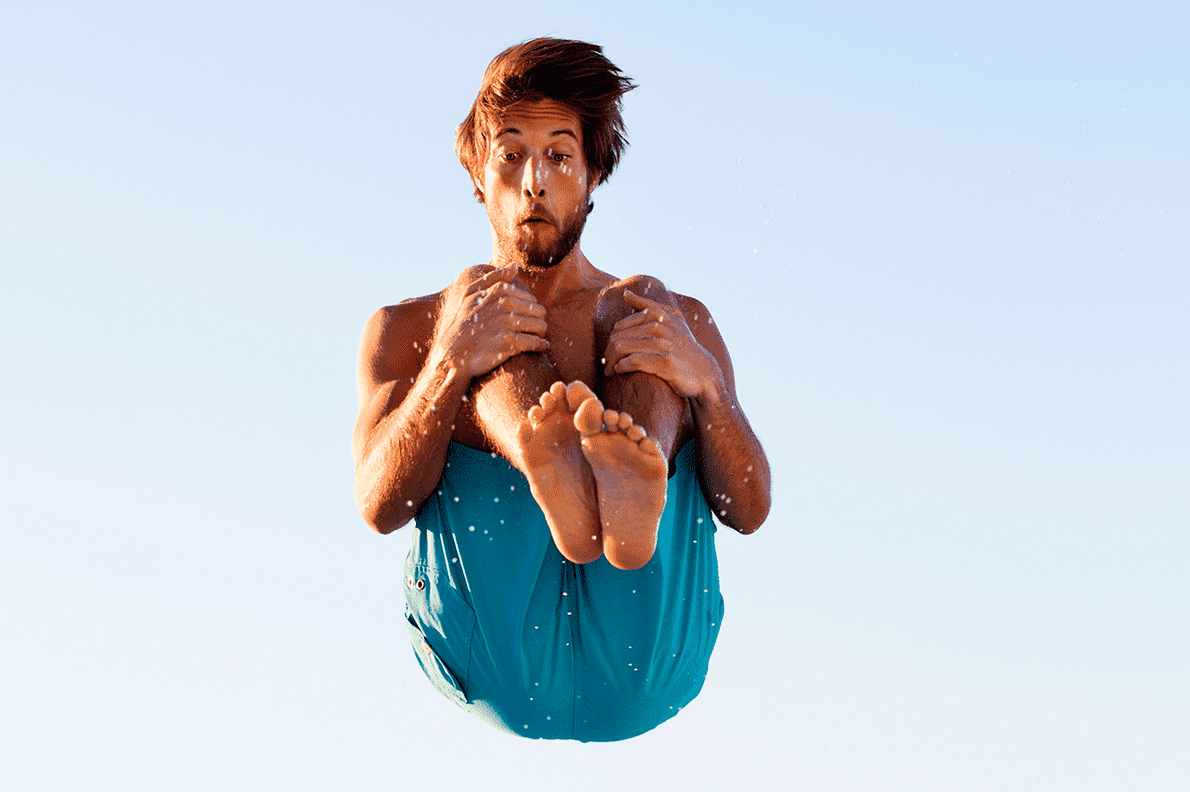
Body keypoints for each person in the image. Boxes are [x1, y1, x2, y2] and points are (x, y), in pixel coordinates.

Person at [352, 37, 770, 741]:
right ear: (477, 172)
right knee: (480, 300)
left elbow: (749, 508)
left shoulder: (677, 324)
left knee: (645, 304)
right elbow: (378, 505)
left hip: (645, 650)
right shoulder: (410, 329)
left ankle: (624, 495)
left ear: (594, 175)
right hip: (494, 650)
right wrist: (451, 363)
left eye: (559, 157)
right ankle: (560, 470)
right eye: (511, 155)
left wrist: (707, 390)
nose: (534, 181)